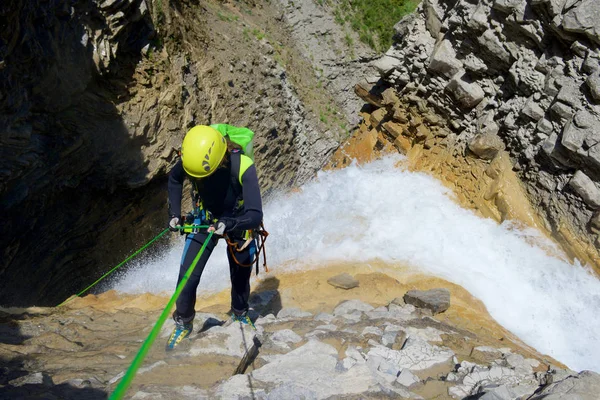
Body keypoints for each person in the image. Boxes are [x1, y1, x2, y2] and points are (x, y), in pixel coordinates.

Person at [165, 124, 263, 350]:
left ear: (220, 160)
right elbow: (175, 178)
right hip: (206, 218)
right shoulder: (192, 161)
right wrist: (174, 214)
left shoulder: (242, 165)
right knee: (187, 277)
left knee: (241, 273)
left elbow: (255, 214)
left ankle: (239, 312)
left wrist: (229, 223)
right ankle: (183, 322)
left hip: (238, 219)